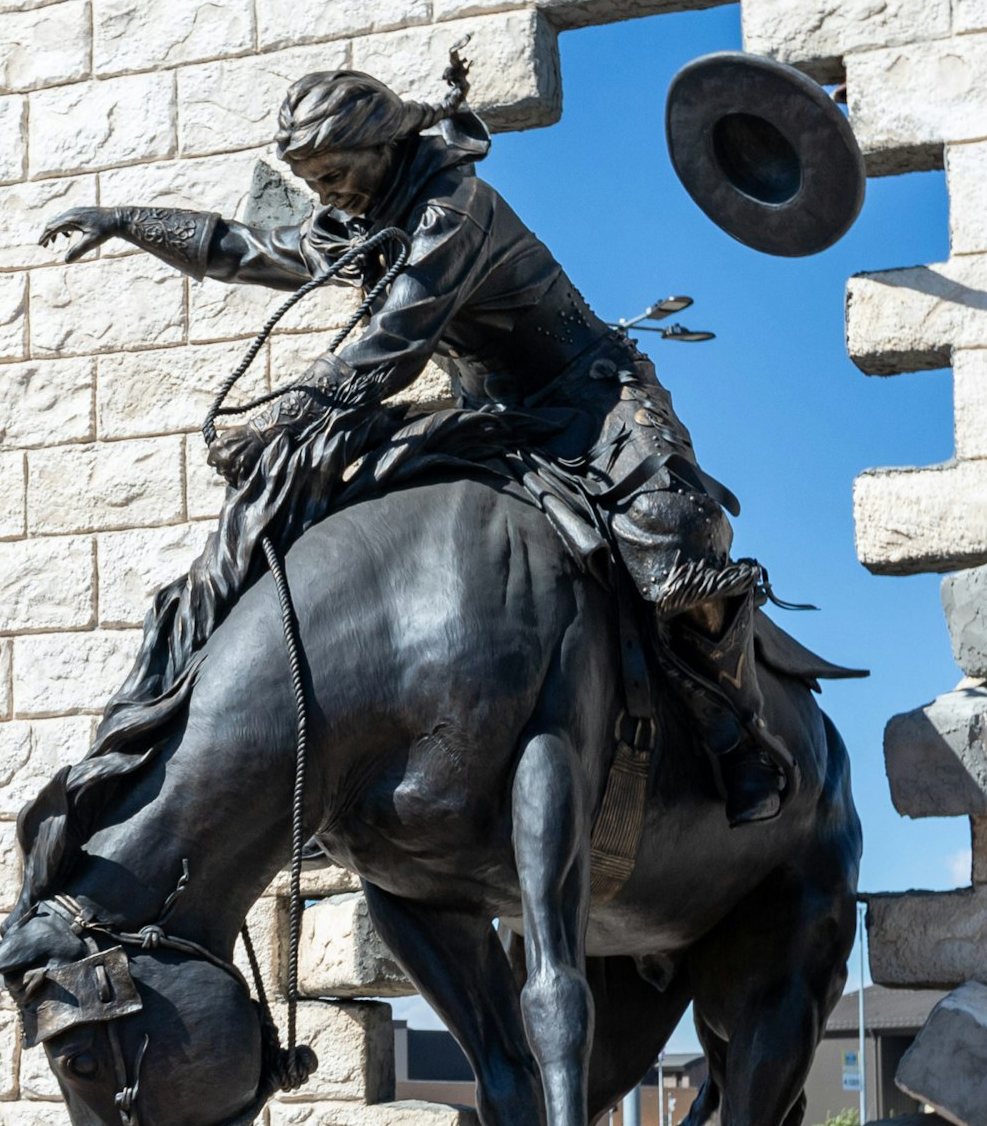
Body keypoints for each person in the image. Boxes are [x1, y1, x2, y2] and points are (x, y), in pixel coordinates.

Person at [39, 57, 796, 824]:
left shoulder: (449, 213)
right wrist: (127, 220)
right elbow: (243, 248)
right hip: (491, 410)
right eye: (312, 181)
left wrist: (270, 420)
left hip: (590, 401)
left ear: (383, 146)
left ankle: (740, 737)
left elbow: (389, 350)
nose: (324, 194)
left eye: (334, 173)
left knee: (674, 535)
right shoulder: (361, 219)